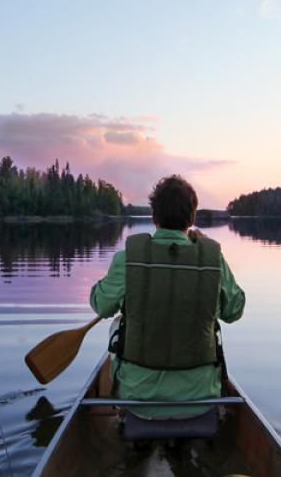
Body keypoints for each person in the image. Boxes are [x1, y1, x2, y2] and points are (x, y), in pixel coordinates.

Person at [88, 175, 245, 420]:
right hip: (202, 398)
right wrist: (207, 257)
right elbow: (234, 310)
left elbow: (100, 305)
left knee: (117, 324)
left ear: (154, 217)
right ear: (192, 218)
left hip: (137, 400)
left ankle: (118, 413)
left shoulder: (128, 258)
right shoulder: (213, 260)